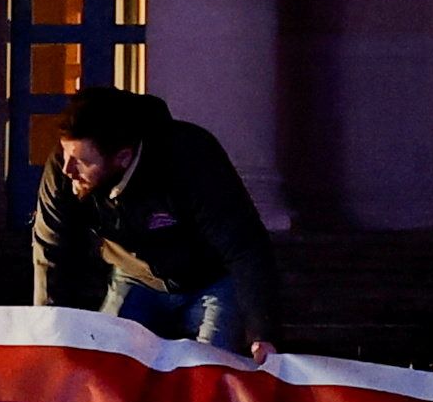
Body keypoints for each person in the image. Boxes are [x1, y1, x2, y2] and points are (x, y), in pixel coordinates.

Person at [28, 85, 283, 352]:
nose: (68, 168)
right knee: (108, 359)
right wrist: (49, 327)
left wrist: (261, 332)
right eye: (65, 154)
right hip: (133, 276)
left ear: (123, 157)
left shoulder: (190, 156)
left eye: (82, 161)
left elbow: (243, 245)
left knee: (211, 370)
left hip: (210, 280)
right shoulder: (64, 168)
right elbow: (50, 248)